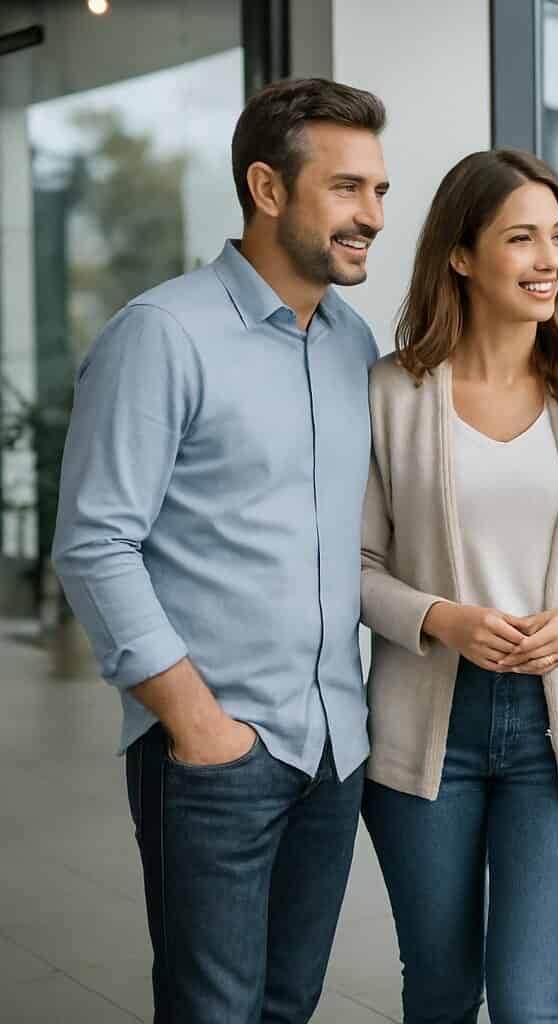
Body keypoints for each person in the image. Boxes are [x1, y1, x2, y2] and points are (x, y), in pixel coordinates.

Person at [51, 78, 389, 1021]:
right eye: (347, 188)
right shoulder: (161, 334)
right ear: (268, 189)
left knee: (289, 1002)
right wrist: (198, 726)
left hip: (331, 748)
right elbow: (94, 542)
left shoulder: (351, 343)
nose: (369, 216)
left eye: (378, 192)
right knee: (213, 1010)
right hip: (215, 753)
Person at [359, 148, 558, 1023]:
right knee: (443, 989)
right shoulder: (391, 392)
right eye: (521, 238)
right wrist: (440, 618)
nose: (548, 260)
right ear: (460, 254)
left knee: (531, 1000)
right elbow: (353, 569)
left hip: (554, 734)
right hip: (424, 734)